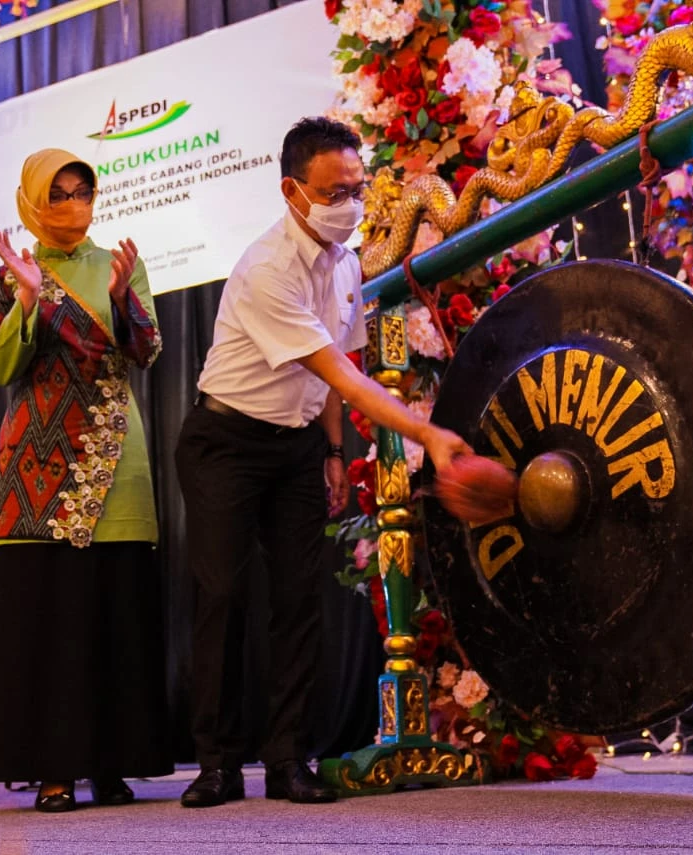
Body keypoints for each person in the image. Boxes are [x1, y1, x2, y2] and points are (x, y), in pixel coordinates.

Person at [174, 117, 474, 808]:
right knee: (222, 596)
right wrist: (428, 435)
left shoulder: (343, 261)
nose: (352, 202)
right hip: (225, 441)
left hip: (298, 444)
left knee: (300, 602)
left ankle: (288, 758)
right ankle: (216, 763)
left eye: (358, 186)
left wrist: (335, 452)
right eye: (335, 190)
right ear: (292, 189)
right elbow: (341, 371)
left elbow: (337, 372)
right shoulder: (266, 267)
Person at [0, 148, 171, 812]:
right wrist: (27, 297)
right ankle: (53, 767)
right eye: (60, 192)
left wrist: (120, 300)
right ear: (32, 200)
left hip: (115, 457)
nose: (75, 203)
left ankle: (113, 765)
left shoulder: (119, 264)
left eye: (84, 190)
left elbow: (148, 352)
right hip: (33, 472)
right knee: (48, 624)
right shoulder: (6, 276)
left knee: (113, 612)